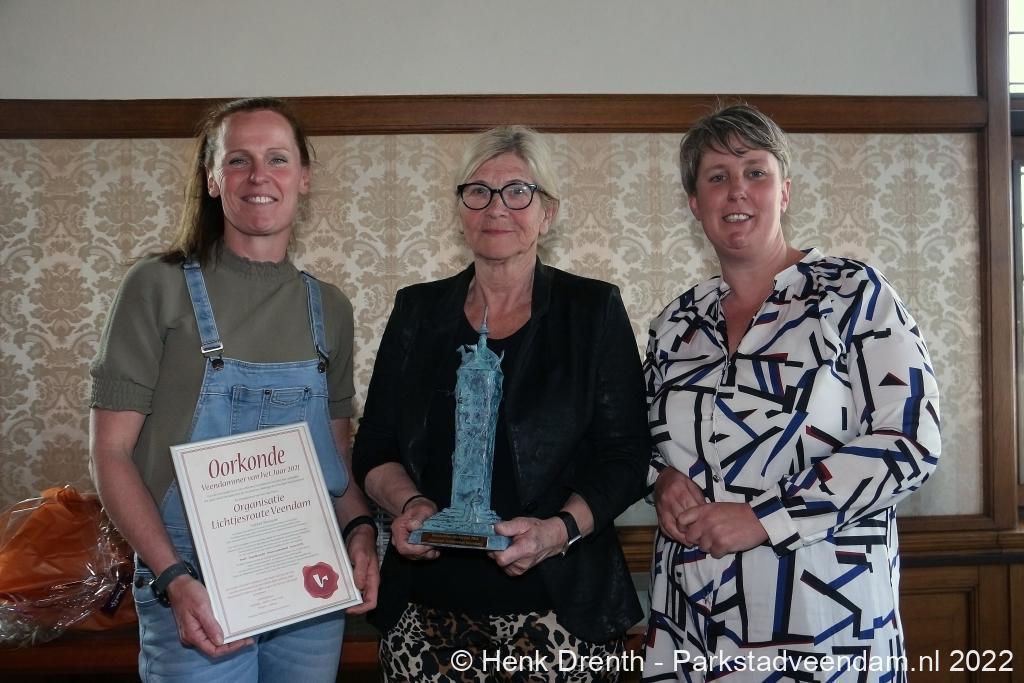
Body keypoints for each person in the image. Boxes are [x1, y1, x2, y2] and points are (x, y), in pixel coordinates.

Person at [642, 104, 941, 682]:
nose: (737, 190)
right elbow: (634, 437)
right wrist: (659, 481)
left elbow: (911, 442)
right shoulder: (675, 323)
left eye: (756, 172)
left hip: (824, 622)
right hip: (694, 621)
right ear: (694, 203)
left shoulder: (852, 294)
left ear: (784, 193)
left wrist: (766, 518)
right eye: (717, 176)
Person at [88, 97, 378, 682]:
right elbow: (110, 454)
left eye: (277, 158)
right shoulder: (156, 286)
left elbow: (335, 459)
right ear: (213, 179)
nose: (259, 176)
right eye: (238, 160)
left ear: (303, 177)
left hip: (307, 573)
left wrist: (361, 531)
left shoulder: (330, 308)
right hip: (191, 579)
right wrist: (172, 578)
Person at [352, 126, 650, 682]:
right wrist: (410, 504)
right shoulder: (417, 311)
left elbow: (627, 455)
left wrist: (556, 531)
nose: (497, 207)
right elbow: (376, 445)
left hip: (560, 613)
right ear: (460, 209)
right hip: (423, 614)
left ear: (547, 212)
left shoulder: (592, 310)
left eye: (518, 191)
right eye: (478, 191)